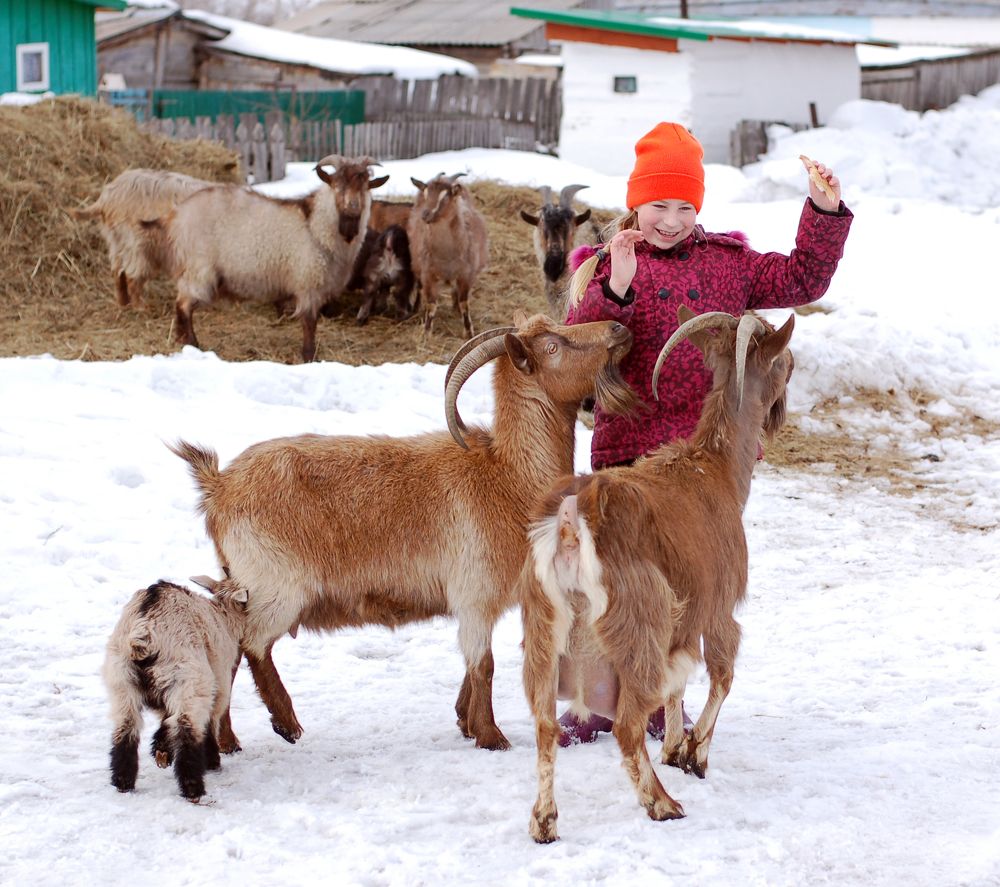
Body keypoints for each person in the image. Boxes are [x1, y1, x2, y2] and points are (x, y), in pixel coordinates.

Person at [556, 121, 853, 746]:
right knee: (603, 573)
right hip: (628, 452)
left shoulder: (731, 264)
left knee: (689, 578)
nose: (671, 219)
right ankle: (591, 701)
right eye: (659, 204)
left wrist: (823, 214)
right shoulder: (606, 266)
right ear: (636, 201)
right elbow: (581, 343)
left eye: (684, 205)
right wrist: (618, 285)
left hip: (704, 457)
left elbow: (802, 280)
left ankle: (667, 698)